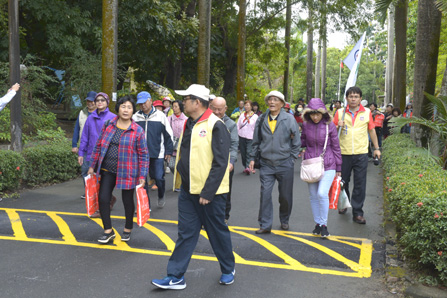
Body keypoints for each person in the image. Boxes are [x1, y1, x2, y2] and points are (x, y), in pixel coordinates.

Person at [151, 84, 235, 290]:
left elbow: (221, 162)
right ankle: (175, 276)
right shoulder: (190, 123)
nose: (182, 103)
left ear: (197, 102)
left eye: (186, 99)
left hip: (211, 194)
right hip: (188, 191)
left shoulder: (216, 125)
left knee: (217, 232)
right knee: (186, 233)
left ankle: (228, 268)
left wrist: (208, 192)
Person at [87, 96, 149, 244]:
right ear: (118, 108)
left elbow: (144, 155)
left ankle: (128, 228)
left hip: (127, 171)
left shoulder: (137, 130)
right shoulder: (108, 125)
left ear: (133, 110)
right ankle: (108, 230)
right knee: (103, 199)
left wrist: (142, 175)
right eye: (123, 106)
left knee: (127, 200)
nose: (126, 110)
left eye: (129, 107)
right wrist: (92, 166)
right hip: (107, 169)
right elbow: (98, 146)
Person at [249, 90, 301, 234]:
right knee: (265, 194)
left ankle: (284, 219)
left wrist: (291, 159)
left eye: (275, 100)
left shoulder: (289, 119)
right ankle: (265, 225)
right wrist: (252, 158)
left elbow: (297, 142)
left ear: (282, 104)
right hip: (266, 163)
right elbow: (256, 141)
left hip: (285, 163)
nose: (272, 102)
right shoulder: (261, 119)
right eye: (270, 99)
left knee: (285, 196)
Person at [333, 86, 381, 224]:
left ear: (360, 99)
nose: (353, 99)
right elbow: (331, 131)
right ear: (346, 98)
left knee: (360, 183)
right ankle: (343, 204)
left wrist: (376, 148)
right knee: (343, 182)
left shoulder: (366, 112)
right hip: (343, 153)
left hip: (361, 153)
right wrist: (337, 125)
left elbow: (371, 130)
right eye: (350, 96)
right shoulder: (340, 112)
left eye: (356, 96)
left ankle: (358, 212)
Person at [301, 98, 342, 238]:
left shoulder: (329, 125)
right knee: (313, 196)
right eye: (312, 114)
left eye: (318, 114)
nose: (315, 117)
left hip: (329, 163)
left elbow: (336, 146)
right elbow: (302, 141)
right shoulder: (306, 125)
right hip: (311, 163)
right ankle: (317, 224)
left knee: (321, 193)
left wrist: (339, 167)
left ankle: (324, 224)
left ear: (323, 114)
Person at [79, 92, 116, 218]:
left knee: (104, 183)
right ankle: (102, 203)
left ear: (107, 102)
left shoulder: (113, 118)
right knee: (93, 182)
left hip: (107, 156)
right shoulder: (90, 118)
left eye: (102, 100)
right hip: (91, 155)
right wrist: (81, 152)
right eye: (97, 100)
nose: (99, 102)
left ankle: (103, 206)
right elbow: (85, 136)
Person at [133, 91, 173, 208]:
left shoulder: (160, 116)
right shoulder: (135, 117)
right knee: (142, 180)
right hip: (140, 154)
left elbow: (168, 134)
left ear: (150, 101)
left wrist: (168, 151)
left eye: (145, 102)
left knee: (159, 177)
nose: (143, 105)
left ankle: (161, 194)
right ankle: (146, 205)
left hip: (157, 153)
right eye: (140, 103)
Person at [211, 96, 239, 223]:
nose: (217, 112)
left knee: (225, 192)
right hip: (209, 163)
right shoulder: (207, 121)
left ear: (226, 109)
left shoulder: (231, 124)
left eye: (220, 109)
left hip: (225, 164)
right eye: (214, 109)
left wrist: (231, 162)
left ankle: (224, 216)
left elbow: (234, 144)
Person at [72, 91, 97, 199]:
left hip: (97, 147)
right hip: (85, 146)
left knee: (96, 171)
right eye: (88, 101)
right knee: (84, 170)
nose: (90, 103)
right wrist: (74, 144)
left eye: (92, 101)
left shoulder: (101, 113)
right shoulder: (82, 112)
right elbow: (77, 129)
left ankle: (97, 192)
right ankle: (88, 191)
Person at [167, 100, 188, 187]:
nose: (174, 108)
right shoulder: (169, 119)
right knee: (172, 165)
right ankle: (178, 179)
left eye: (176, 106)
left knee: (182, 166)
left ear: (180, 107)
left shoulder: (186, 119)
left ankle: (181, 182)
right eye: (173, 106)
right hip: (172, 146)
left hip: (183, 146)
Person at [237, 100, 258, 175]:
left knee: (249, 152)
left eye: (248, 105)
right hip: (242, 135)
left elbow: (257, 127)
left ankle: (248, 167)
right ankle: (245, 165)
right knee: (243, 153)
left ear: (251, 106)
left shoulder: (255, 116)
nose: (246, 107)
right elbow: (238, 125)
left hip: (251, 137)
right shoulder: (242, 115)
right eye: (245, 105)